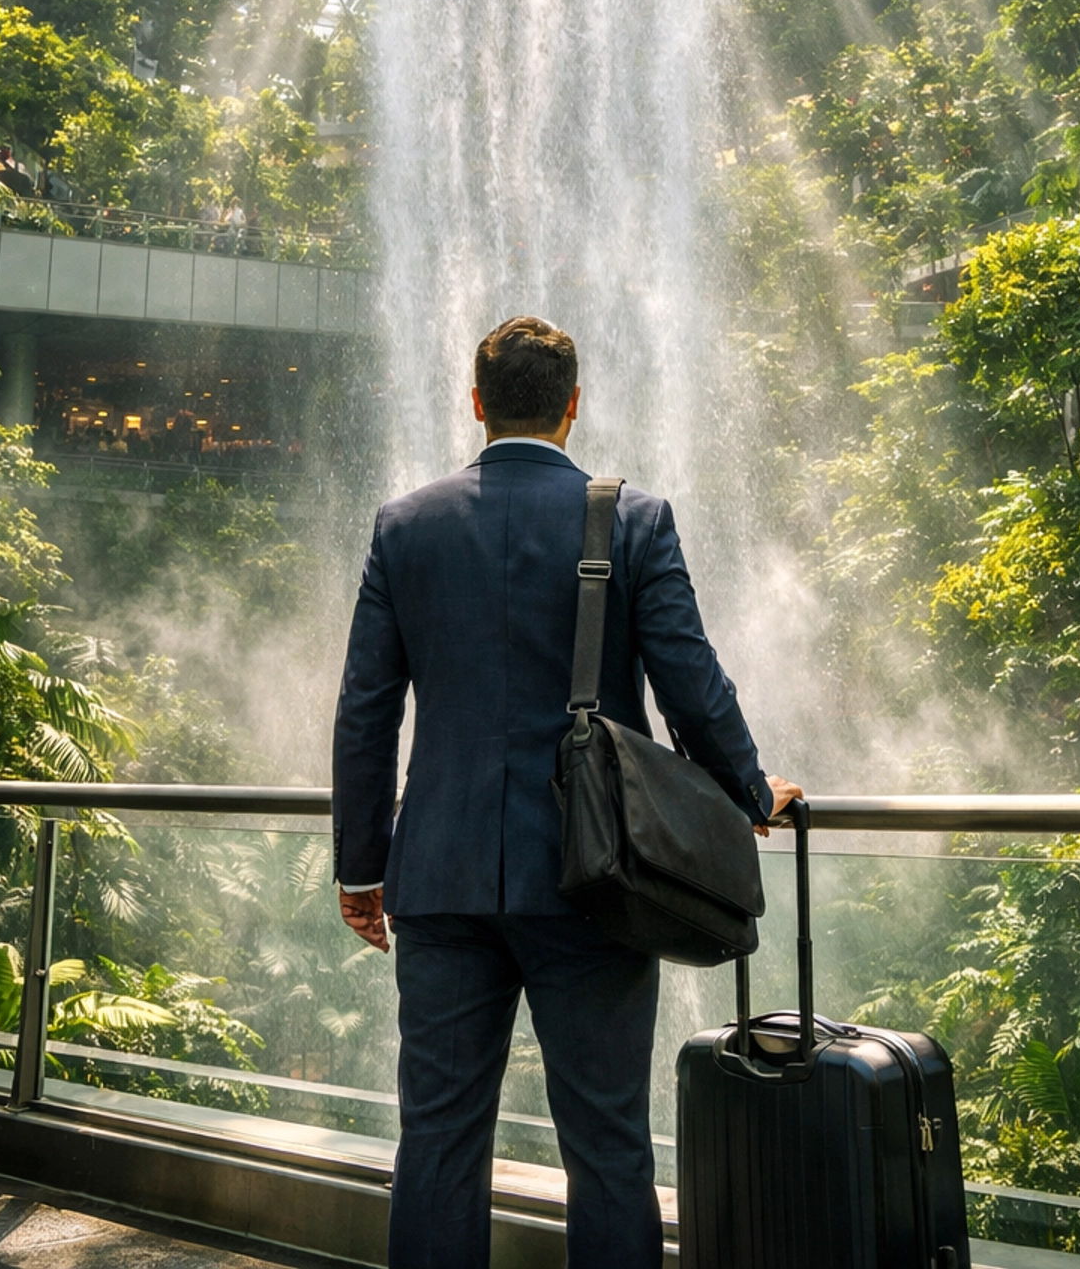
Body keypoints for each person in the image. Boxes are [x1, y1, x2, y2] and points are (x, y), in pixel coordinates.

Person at [332, 314, 797, 1269]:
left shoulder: (404, 526)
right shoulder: (631, 520)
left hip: (442, 879)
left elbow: (365, 714)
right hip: (596, 877)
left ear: (475, 404)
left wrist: (361, 869)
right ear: (573, 408)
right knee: (608, 1144)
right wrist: (751, 792)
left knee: (439, 1141)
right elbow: (690, 685)